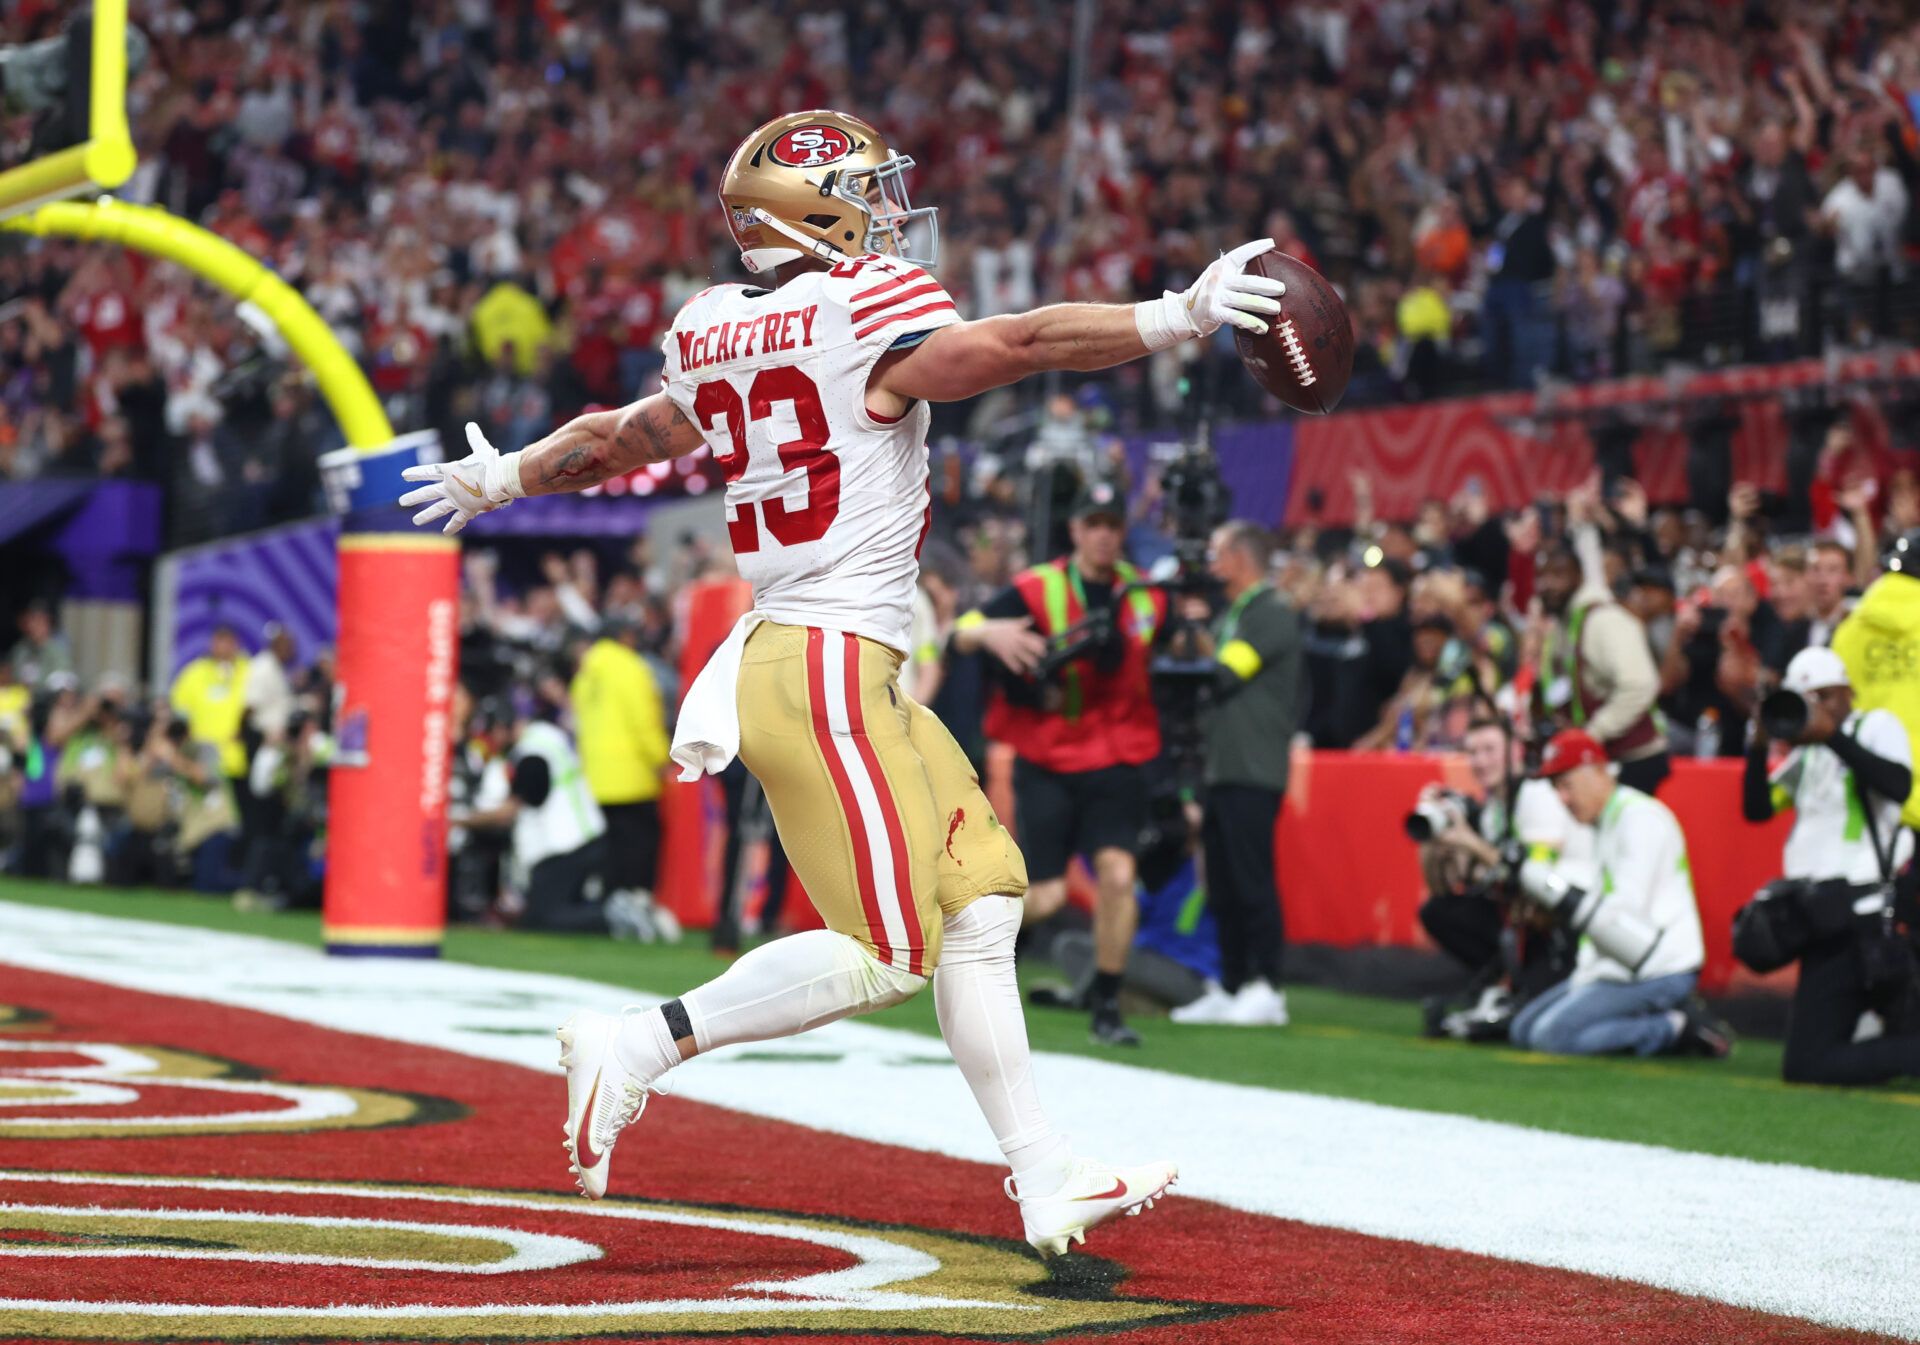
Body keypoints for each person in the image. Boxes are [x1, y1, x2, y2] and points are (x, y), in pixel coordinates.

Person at [396, 110, 1283, 1255]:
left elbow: (630, 435)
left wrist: (505, 475)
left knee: (983, 900)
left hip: (836, 664)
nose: (887, 211)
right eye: (867, 192)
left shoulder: (714, 325)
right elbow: (1008, 348)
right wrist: (1171, 316)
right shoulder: (860, 310)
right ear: (807, 212)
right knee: (890, 951)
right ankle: (642, 1042)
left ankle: (1046, 1172)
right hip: (820, 663)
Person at [956, 477, 1169, 1048]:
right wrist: (989, 633)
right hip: (1048, 756)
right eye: (1092, 525)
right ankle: (962, 943)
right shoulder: (1037, 587)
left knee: (1119, 876)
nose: (1102, 537)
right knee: (1046, 896)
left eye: (1112, 527)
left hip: (1119, 756)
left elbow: (1179, 660)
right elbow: (960, 634)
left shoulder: (1149, 594)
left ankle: (1106, 1002)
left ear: (1123, 533)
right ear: (1076, 531)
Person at [1743, 647, 1917, 1085]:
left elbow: (1898, 785)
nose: (1815, 710)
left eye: (1824, 697)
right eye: (1805, 700)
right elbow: (1757, 809)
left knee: (1806, 1064)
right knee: (1807, 1059)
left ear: (1847, 692)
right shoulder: (1808, 755)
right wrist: (1758, 742)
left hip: (1864, 919)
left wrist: (1833, 736)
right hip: (1821, 916)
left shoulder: (1873, 725)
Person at [1511, 728, 1729, 1058]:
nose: (1563, 800)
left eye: (1566, 785)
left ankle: (1677, 1027)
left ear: (1596, 772)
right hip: (1615, 967)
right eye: (1557, 789)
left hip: (1656, 969)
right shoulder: (1608, 820)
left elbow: (1625, 914)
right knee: (1523, 1030)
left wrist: (1562, 899)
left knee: (1548, 1037)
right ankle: (1651, 1020)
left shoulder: (1639, 819)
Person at [1169, 521, 1302, 1028]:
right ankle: (1231, 983)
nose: (1212, 566)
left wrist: (1198, 632)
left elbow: (1226, 671)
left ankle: (1266, 985)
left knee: (1251, 879)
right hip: (1225, 767)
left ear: (1242, 560)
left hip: (1254, 767)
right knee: (1222, 881)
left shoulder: (1272, 613)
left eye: (1220, 555)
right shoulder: (1241, 613)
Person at [1413, 717, 1586, 1035]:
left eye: (1490, 750)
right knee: (1440, 912)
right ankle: (1501, 984)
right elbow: (1444, 888)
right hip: (1521, 922)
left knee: (1532, 1026)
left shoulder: (1536, 794)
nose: (1480, 761)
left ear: (1516, 750)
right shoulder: (1493, 807)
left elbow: (1537, 881)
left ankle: (1516, 990)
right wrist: (1431, 841)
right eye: (1473, 752)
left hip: (1559, 929)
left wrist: (1471, 843)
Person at [454, 700, 648, 938]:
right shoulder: (548, 736)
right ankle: (617, 908)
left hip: (565, 846)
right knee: (557, 907)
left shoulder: (530, 754)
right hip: (586, 836)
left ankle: (613, 914)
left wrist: (458, 820)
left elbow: (508, 812)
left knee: (541, 918)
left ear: (503, 727)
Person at [1533, 534, 1670, 793]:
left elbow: (1640, 685)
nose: (1547, 584)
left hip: (1633, 760)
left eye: (1558, 574)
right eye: (1541, 576)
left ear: (1580, 576)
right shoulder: (1562, 625)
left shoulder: (1603, 620)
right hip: (1598, 761)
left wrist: (1593, 733)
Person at [569, 618, 678, 942]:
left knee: (611, 852)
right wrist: (662, 758)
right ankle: (636, 910)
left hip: (595, 778)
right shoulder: (631, 669)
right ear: (626, 637)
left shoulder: (585, 673)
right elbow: (644, 722)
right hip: (631, 777)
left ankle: (612, 912)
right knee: (641, 848)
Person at [169, 625, 250, 784]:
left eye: (228, 642)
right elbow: (178, 712)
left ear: (236, 644)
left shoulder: (249, 670)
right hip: (201, 759)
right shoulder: (194, 673)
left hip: (238, 759)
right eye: (219, 642)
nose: (224, 648)